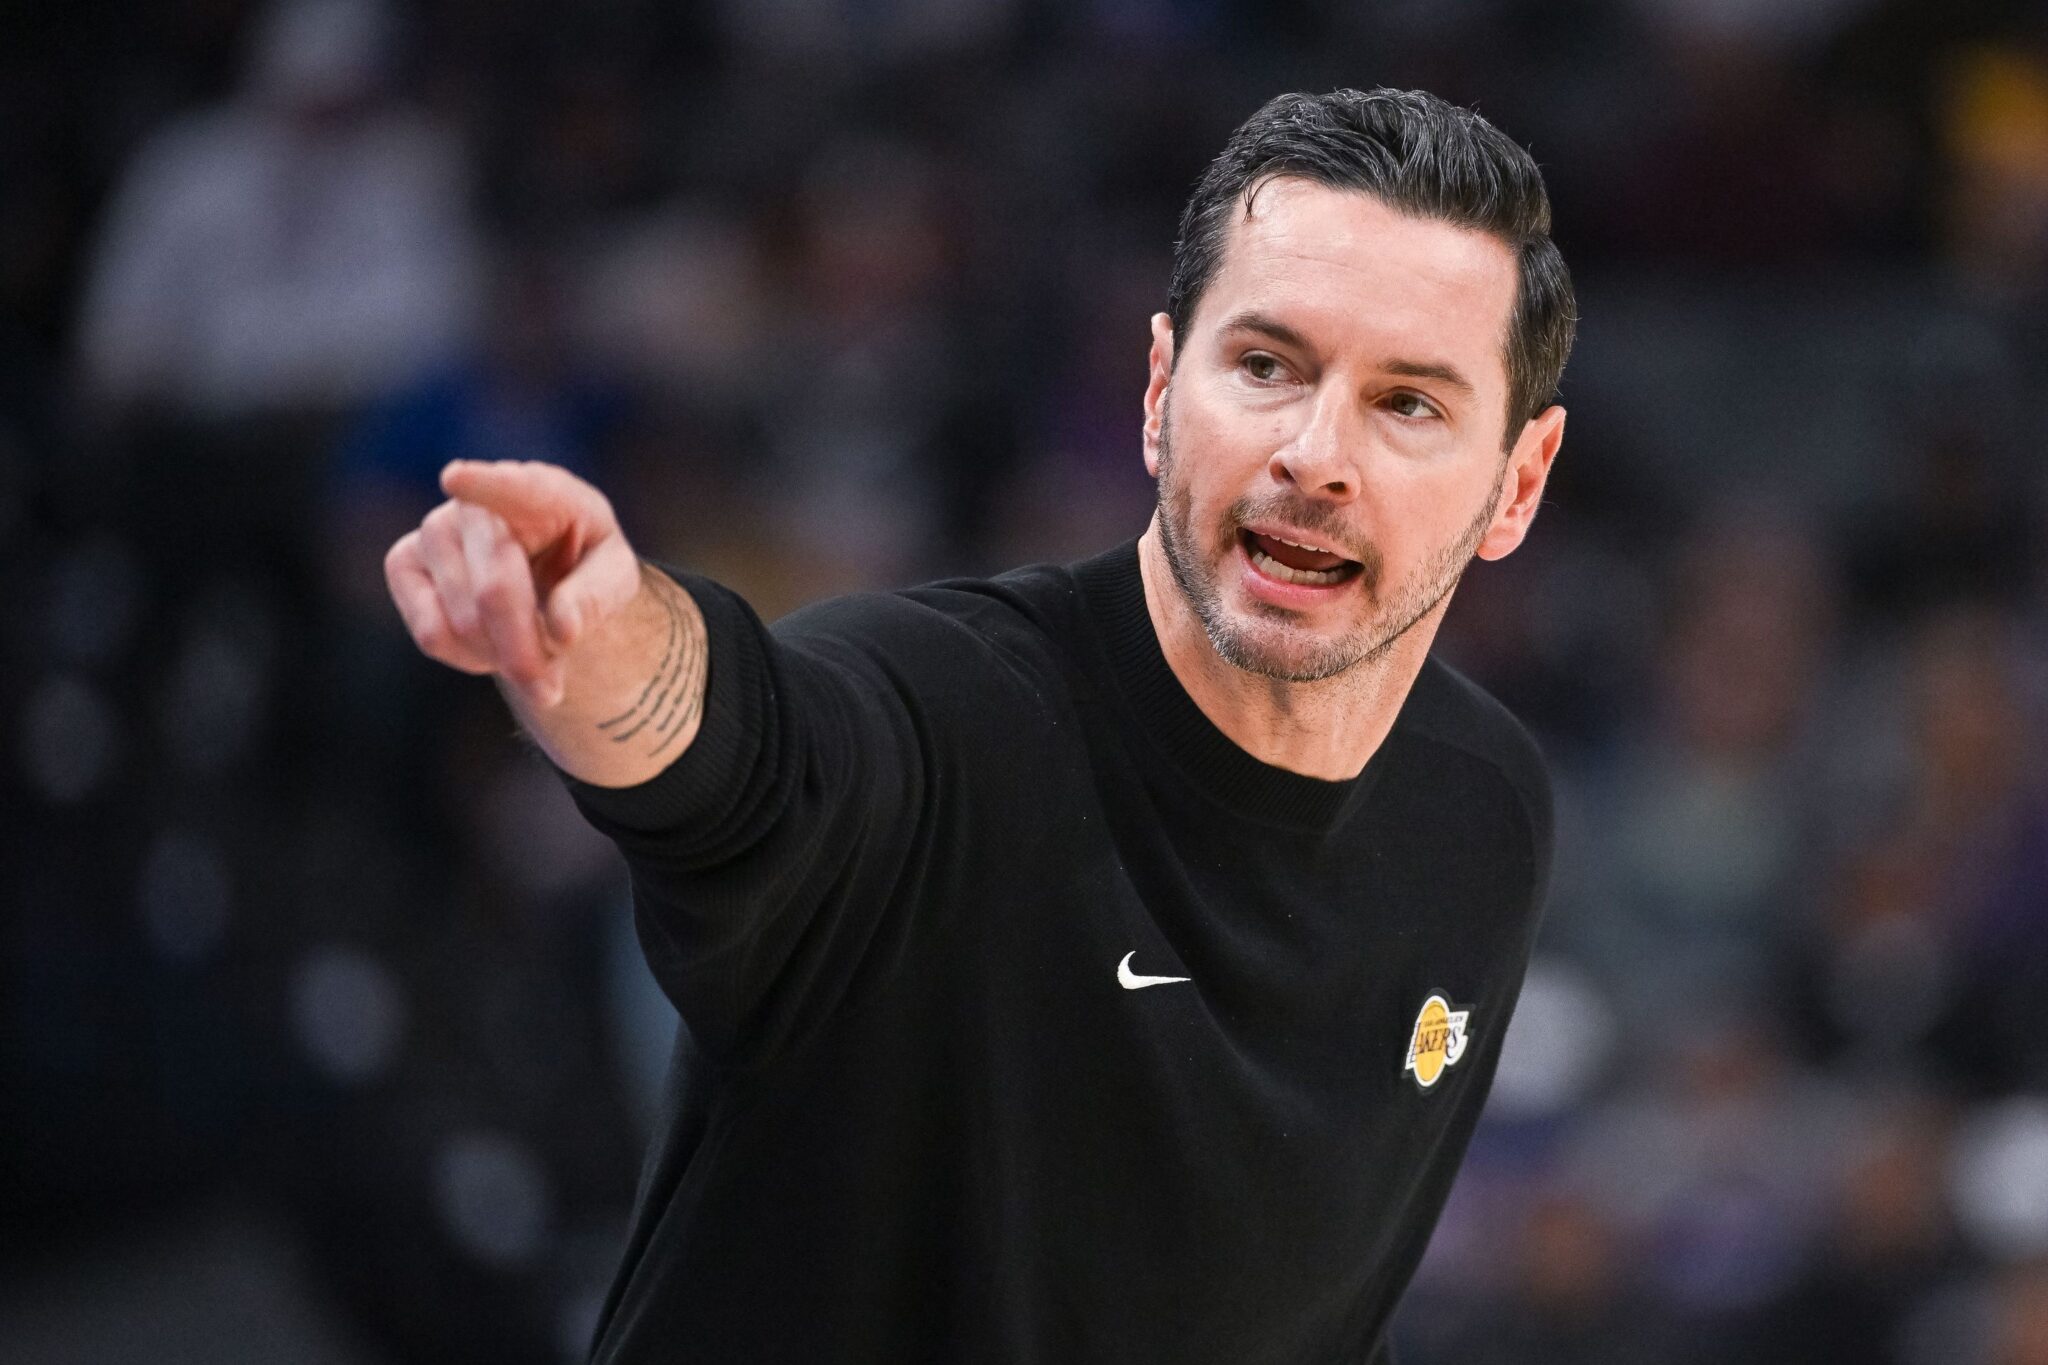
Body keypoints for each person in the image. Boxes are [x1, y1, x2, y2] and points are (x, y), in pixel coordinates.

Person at [384, 87, 1575, 1364]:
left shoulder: (1482, 810)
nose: (1314, 455)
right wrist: (597, 632)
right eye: (1266, 366)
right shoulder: (940, 711)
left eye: (1409, 404)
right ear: (1161, 391)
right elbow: (740, 755)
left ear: (1514, 485)